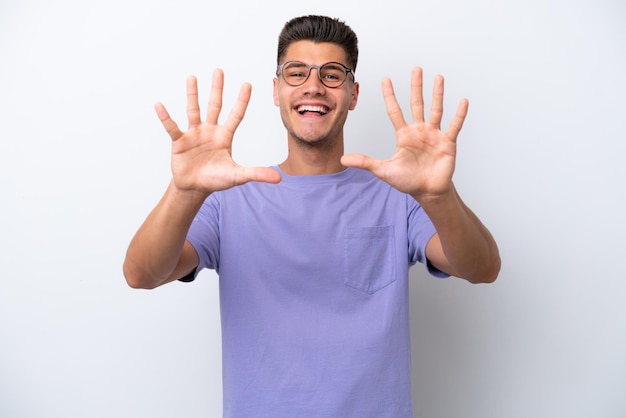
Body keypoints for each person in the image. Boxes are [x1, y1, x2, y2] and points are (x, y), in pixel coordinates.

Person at [123, 14, 500, 418]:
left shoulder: (400, 196)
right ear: (277, 89)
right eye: (297, 72)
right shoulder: (227, 199)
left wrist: (438, 195)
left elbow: (481, 268)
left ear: (353, 94)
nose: (314, 87)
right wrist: (185, 190)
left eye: (332, 75)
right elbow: (141, 275)